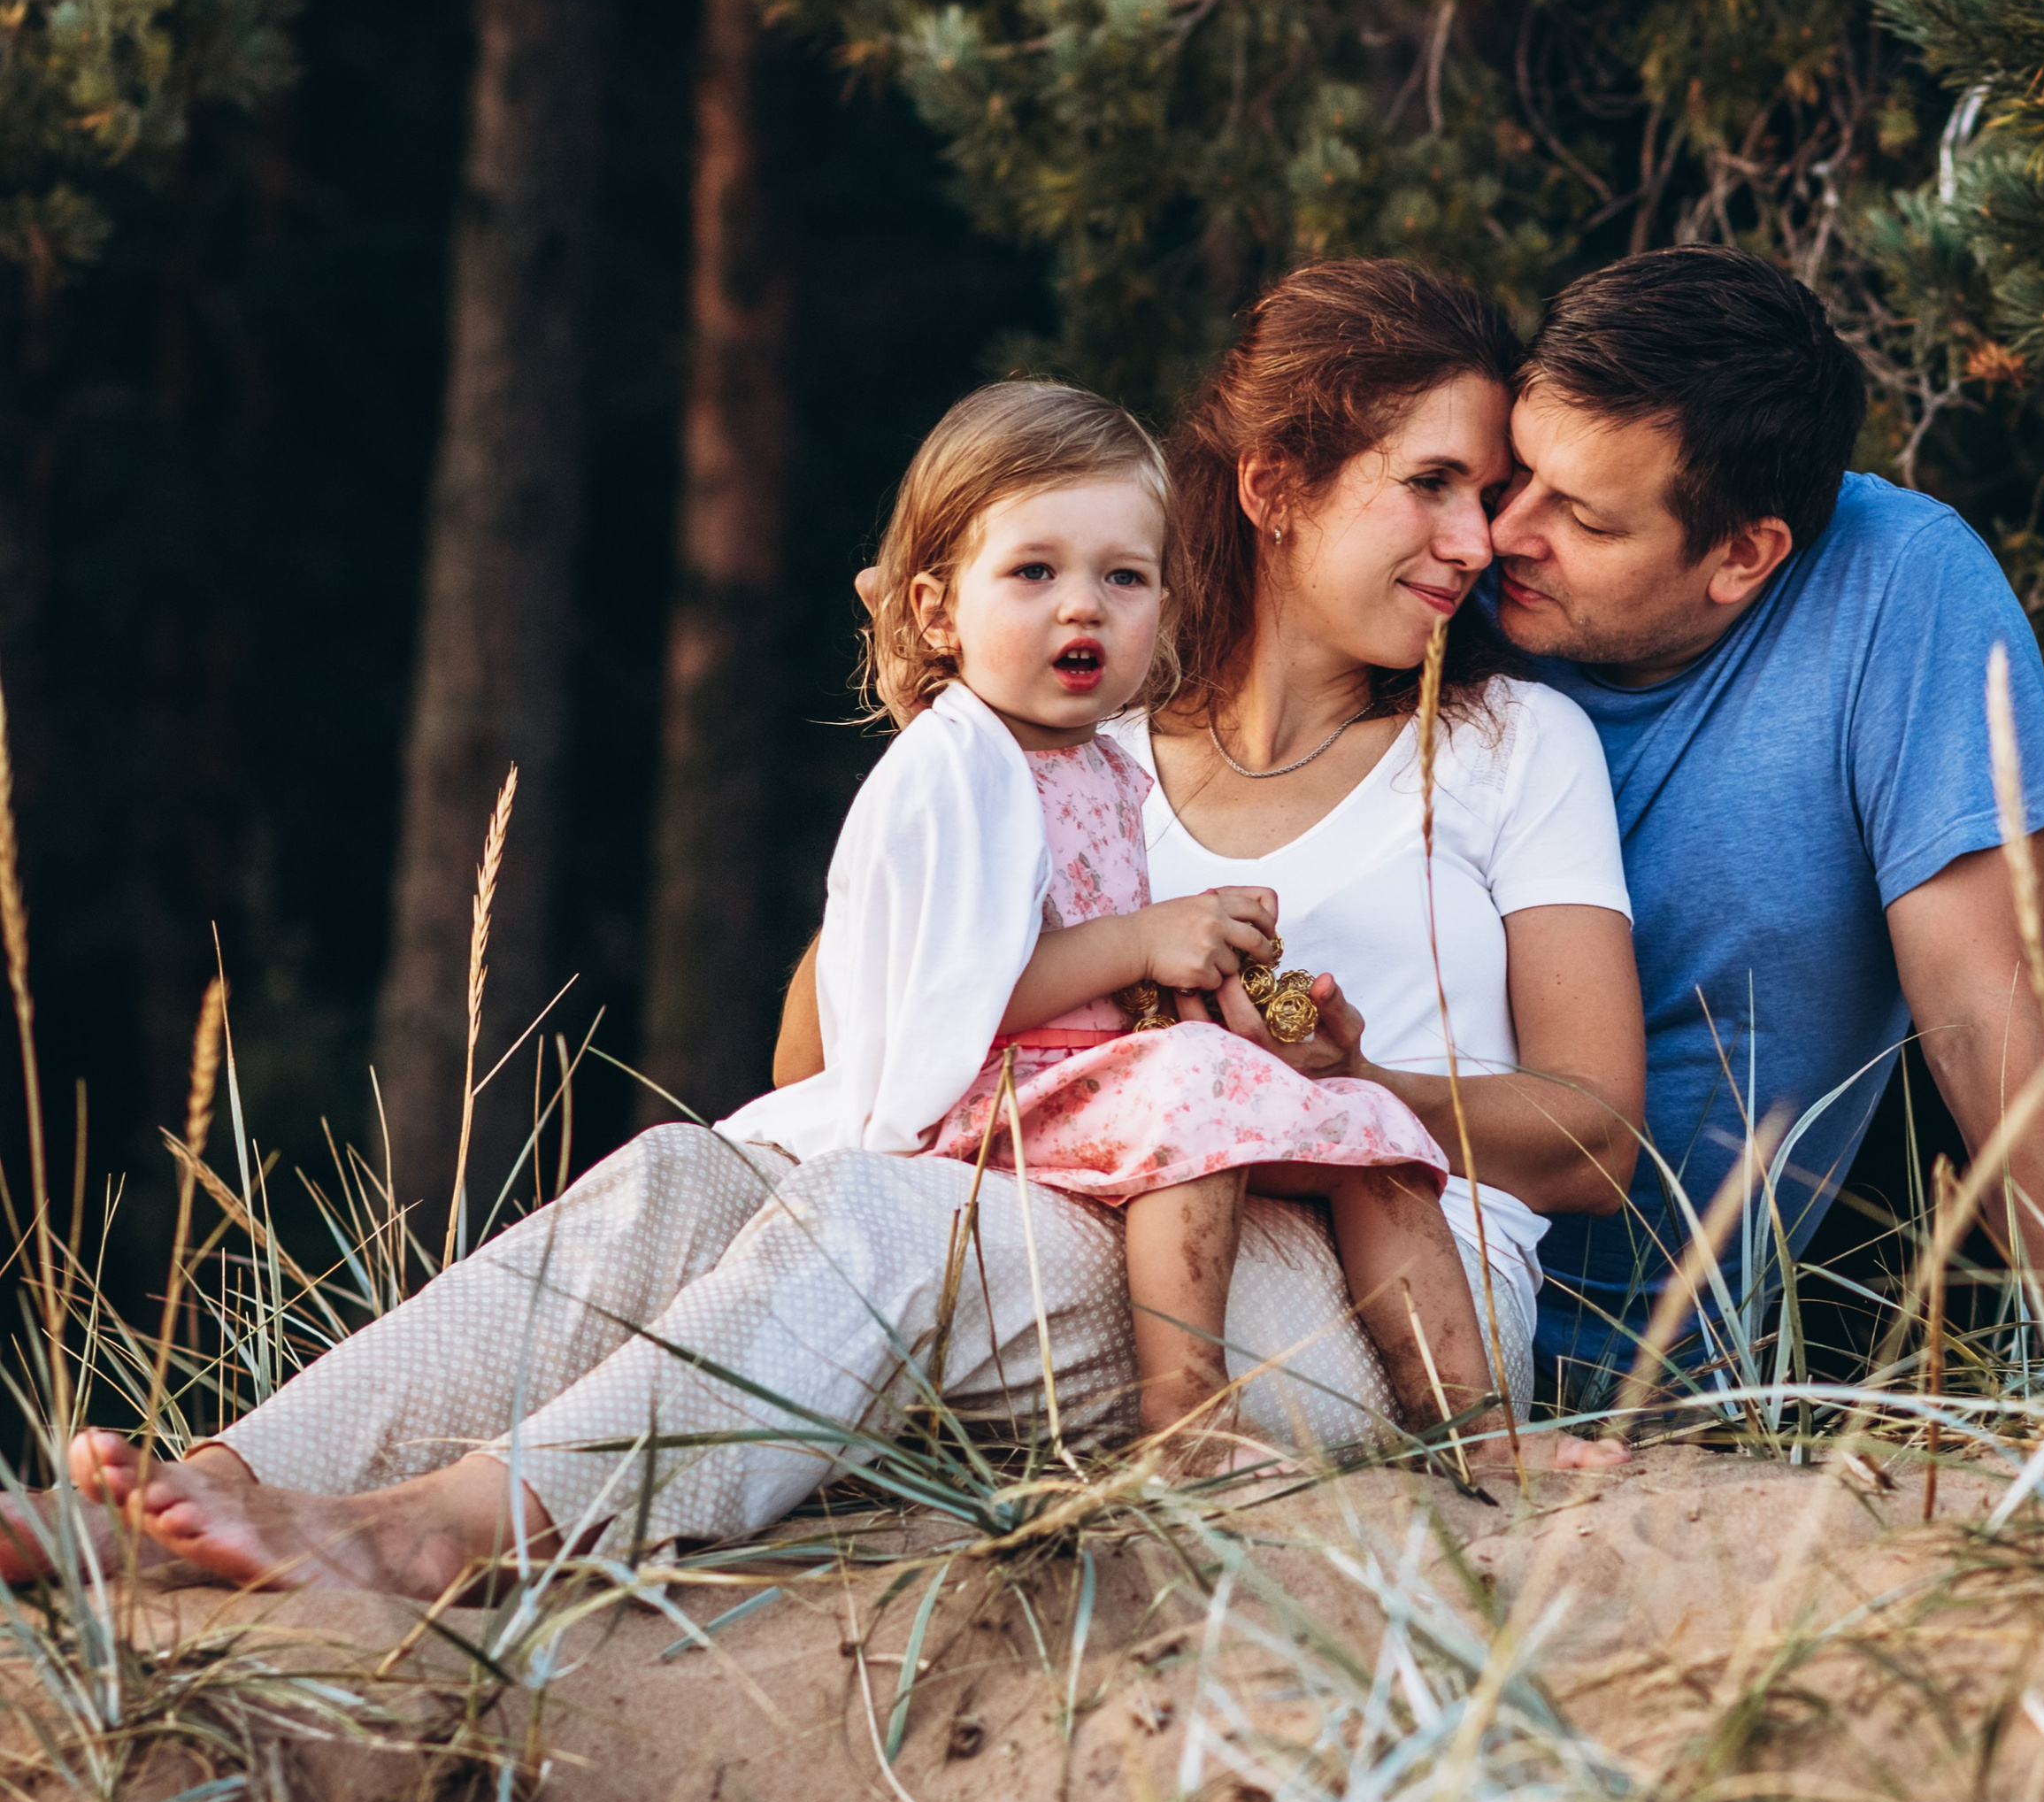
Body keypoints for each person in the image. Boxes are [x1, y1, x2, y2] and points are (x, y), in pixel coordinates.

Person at [35, 261, 1640, 1598]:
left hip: (1365, 1292)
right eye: (1435, 484)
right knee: (684, 1173)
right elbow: (843, 1073)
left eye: (1489, 497)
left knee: (883, 1227)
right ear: (1281, 488)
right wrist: (913, 886)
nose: (1477, 538)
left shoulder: (1506, 749)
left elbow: (1594, 1137)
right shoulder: (1068, 739)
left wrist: (1322, 1098)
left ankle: (443, 1529)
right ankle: (187, 1499)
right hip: (1059, 1201)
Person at [773, 373, 1485, 1474]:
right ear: (934, 609)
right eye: (1033, 572)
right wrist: (1144, 944)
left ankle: (1477, 1426)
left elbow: (1098, 965)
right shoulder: (953, 768)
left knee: (1373, 1127)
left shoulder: (1099, 764)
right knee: (1192, 1081)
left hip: (1081, 1079)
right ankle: (1188, 1420)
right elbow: (950, 998)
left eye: (1124, 576)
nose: (1082, 606)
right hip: (983, 1100)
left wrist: (1197, 968)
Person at [1484, 248, 2044, 1402]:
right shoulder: (1443, 560)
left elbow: (1982, 1019)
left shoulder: (1899, 590)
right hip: (1353, 1293)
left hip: (1634, 1390)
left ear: (1745, 554)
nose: (1506, 531)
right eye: (1512, 474)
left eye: (1581, 515)